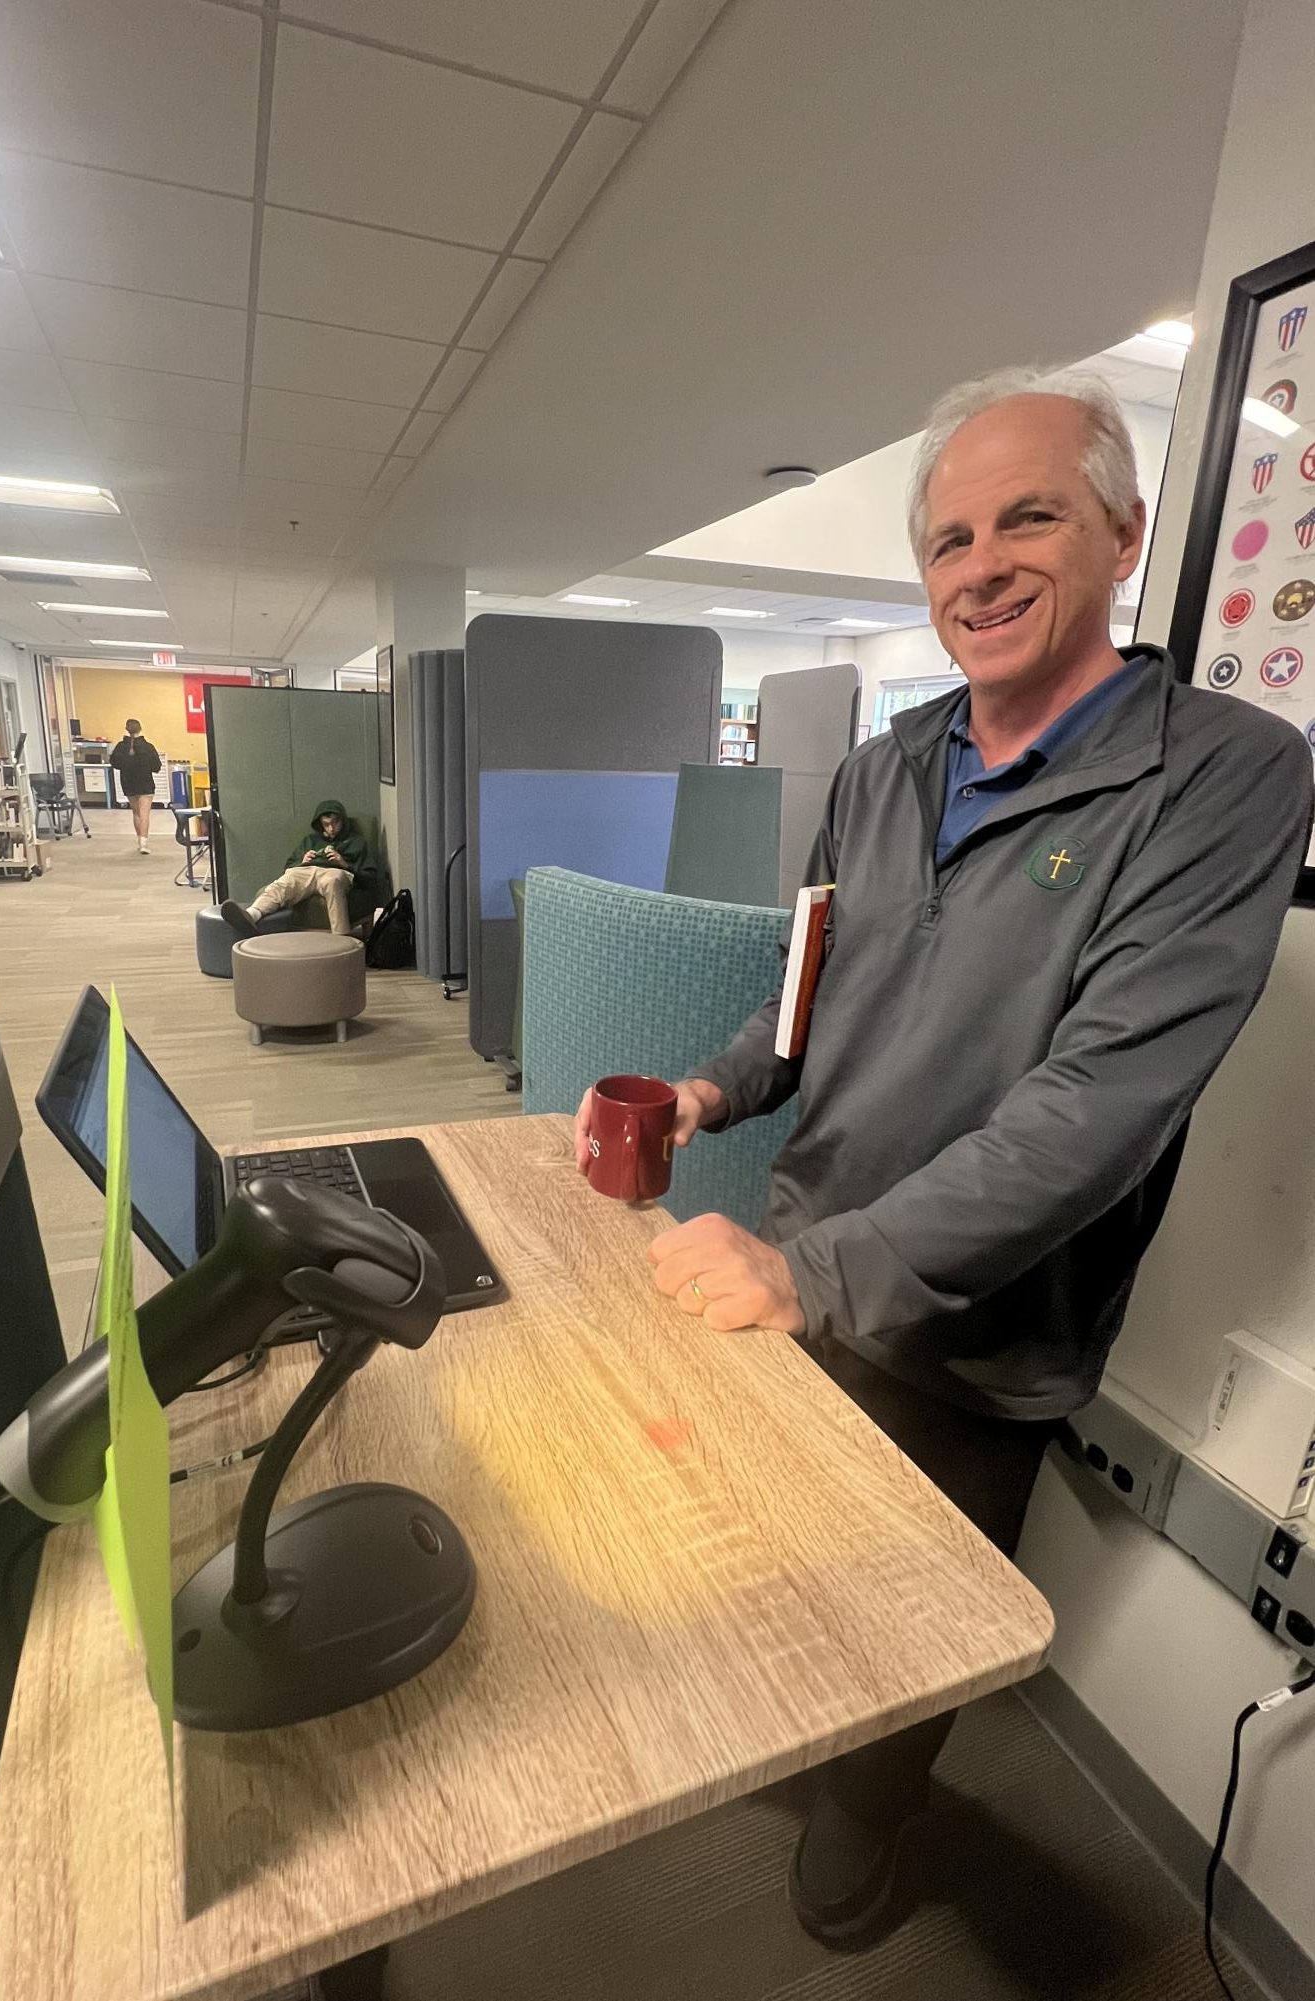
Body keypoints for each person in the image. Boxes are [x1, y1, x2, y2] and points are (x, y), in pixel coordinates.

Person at [576, 368, 1313, 1947]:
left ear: (1119, 531)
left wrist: (809, 1268)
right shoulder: (883, 772)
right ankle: (796, 1746)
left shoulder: (1229, 776)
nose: (977, 564)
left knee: (906, 1637)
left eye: (1026, 516)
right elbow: (804, 1003)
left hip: (974, 1339)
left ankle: (873, 1818)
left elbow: (1098, 1106)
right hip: (798, 1278)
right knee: (783, 1575)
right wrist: (704, 1096)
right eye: (946, 537)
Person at [220, 799, 376, 939]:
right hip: (306, 872)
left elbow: (369, 873)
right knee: (286, 880)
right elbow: (289, 865)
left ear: (343, 821)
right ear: (320, 823)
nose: (332, 828)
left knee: (332, 882)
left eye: (336, 822)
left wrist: (343, 862)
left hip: (335, 873)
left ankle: (342, 938)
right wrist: (302, 860)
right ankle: (251, 916)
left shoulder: (357, 842)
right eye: (326, 823)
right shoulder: (310, 840)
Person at [108, 719, 161, 854]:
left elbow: (115, 763)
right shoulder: (148, 747)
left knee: (136, 813)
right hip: (145, 783)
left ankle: (139, 840)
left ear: (127, 729)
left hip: (128, 782)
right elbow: (156, 766)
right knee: (144, 814)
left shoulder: (121, 747)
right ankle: (144, 843)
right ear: (140, 729)